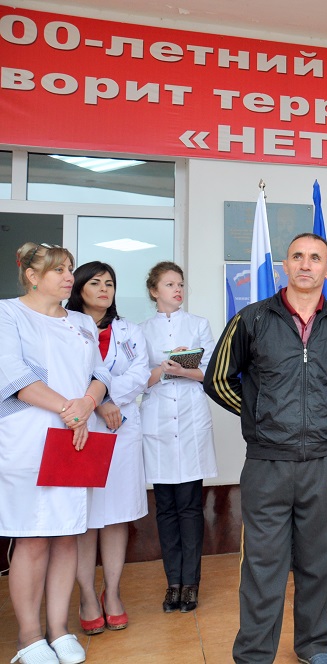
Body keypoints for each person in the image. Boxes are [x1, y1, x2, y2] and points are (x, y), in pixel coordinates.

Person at [204, 233, 327, 664]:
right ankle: (254, 654)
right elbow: (218, 379)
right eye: (297, 256)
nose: (305, 264)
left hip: (326, 462)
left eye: (315, 258)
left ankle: (315, 647)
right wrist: (261, 414)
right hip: (268, 463)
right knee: (263, 566)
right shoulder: (252, 319)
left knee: (320, 562)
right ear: (285, 265)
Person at [1, 242, 111, 664]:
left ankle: (59, 629)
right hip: (30, 437)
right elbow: (15, 378)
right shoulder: (8, 314)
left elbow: (100, 373)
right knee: (32, 537)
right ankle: (29, 638)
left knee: (67, 534)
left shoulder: (81, 322)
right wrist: (71, 409)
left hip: (75, 438)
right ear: (32, 276)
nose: (69, 277)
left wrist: (87, 403)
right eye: (59, 270)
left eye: (70, 268)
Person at [67, 262, 151, 636]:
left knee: (117, 515)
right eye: (95, 282)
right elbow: (64, 373)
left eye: (110, 283)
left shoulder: (129, 330)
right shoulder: (66, 326)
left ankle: (112, 593)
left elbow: (140, 372)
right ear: (78, 288)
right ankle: (87, 596)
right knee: (85, 518)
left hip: (123, 427)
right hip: (82, 427)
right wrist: (98, 402)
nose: (104, 288)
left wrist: (110, 396)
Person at [140, 261, 217, 615]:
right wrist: (162, 369)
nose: (177, 290)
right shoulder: (141, 331)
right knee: (166, 508)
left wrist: (185, 369)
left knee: (189, 506)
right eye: (170, 284)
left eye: (181, 284)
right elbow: (135, 380)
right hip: (157, 423)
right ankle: (173, 583)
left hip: (189, 420)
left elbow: (212, 372)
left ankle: (191, 583)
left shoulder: (198, 324)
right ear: (154, 290)